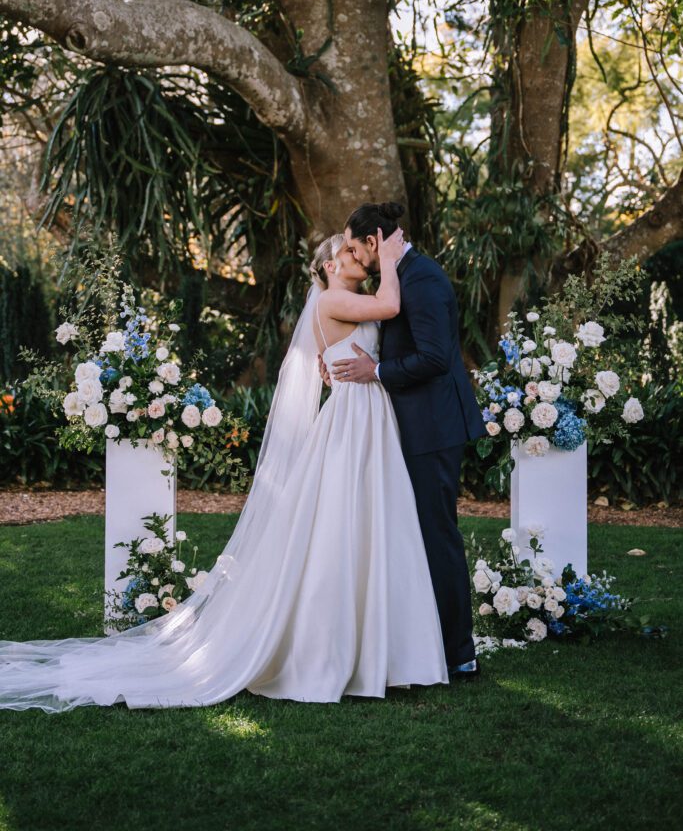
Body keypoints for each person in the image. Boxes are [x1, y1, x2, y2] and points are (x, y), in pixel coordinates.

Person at [0, 226, 450, 712]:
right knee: (345, 525)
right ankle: (335, 651)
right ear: (329, 266)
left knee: (368, 523)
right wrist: (390, 255)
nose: (358, 256)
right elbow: (389, 306)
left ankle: (376, 649)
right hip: (353, 419)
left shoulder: (346, 300)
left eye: (358, 250)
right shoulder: (331, 300)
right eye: (348, 251)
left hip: (366, 415)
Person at [328, 202, 487, 677]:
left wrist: (375, 370)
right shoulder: (400, 276)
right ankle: (424, 643)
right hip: (410, 425)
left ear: (372, 241)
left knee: (438, 536)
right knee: (416, 535)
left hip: (433, 428)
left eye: (355, 247)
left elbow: (435, 359)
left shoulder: (424, 279)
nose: (354, 257)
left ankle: (459, 654)